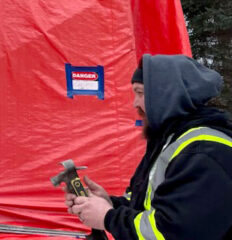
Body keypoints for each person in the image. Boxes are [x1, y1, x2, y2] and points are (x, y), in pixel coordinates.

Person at [65, 54, 232, 240]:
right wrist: (108, 203)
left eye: (140, 93)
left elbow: (172, 232)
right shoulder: (172, 140)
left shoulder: (204, 151)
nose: (134, 103)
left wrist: (107, 217)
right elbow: (148, 202)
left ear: (167, 94)